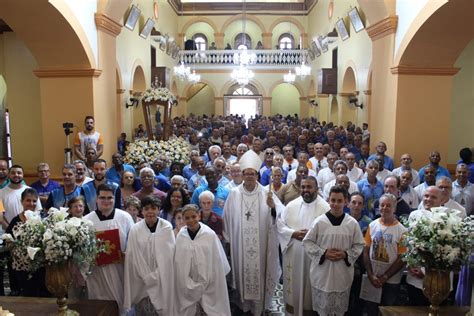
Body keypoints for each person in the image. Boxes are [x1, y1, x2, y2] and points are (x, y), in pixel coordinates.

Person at [223, 150, 282, 315]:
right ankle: (244, 305)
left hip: (262, 244)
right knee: (242, 273)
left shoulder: (266, 193)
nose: (249, 176)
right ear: (242, 175)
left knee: (259, 273)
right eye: (246, 173)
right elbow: (227, 217)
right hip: (240, 244)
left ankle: (258, 306)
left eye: (252, 173)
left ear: (257, 175)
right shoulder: (234, 194)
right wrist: (229, 239)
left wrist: (273, 208)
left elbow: (279, 217)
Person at [303, 186, 365, 316]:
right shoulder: (319, 222)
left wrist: (345, 254)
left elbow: (359, 245)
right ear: (328, 200)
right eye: (333, 200)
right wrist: (324, 253)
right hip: (322, 273)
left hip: (342, 273)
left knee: (339, 310)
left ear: (346, 202)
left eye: (339, 200)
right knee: (322, 311)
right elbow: (307, 242)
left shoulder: (352, 224)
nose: (335, 204)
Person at [277, 176, 330, 315]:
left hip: (313, 259)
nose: (306, 190)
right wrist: (293, 233)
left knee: (310, 292)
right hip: (293, 255)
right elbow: (280, 225)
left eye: (309, 187)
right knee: (293, 288)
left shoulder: (325, 208)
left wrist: (313, 237)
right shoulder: (291, 205)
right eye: (303, 187)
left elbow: (329, 233)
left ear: (316, 189)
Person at [84, 184, 134, 314]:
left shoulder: (125, 217)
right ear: (97, 199)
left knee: (120, 305)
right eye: (102, 198)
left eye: (109, 198)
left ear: (114, 198)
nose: (106, 201)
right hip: (97, 272)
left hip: (119, 270)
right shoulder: (87, 220)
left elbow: (133, 242)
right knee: (99, 306)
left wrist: (126, 254)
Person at [174, 204, 231, 315]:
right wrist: (187, 282)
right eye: (187, 218)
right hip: (188, 283)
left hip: (210, 282)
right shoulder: (181, 237)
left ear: (199, 216)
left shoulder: (209, 235)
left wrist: (209, 280)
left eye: (193, 216)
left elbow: (217, 261)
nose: (191, 220)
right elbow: (178, 262)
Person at [124, 196, 175, 315]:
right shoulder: (135, 229)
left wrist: (157, 274)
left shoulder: (166, 227)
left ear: (159, 210)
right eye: (146, 209)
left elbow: (169, 255)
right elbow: (134, 255)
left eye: (153, 208)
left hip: (163, 277)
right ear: (142, 211)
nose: (150, 212)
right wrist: (147, 276)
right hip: (141, 279)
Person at [363, 193, 407, 315]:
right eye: (382, 205)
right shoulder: (372, 225)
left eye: (388, 205)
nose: (384, 208)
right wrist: (371, 275)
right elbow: (366, 251)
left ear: (394, 208)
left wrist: (385, 277)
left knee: (388, 311)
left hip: (391, 281)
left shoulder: (402, 231)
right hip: (373, 277)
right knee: (371, 310)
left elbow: (402, 258)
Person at [6, 188, 50, 297]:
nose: (31, 203)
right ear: (22, 202)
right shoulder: (15, 221)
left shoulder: (42, 219)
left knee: (42, 293)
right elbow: (8, 241)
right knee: (27, 294)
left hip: (40, 265)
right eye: (28, 200)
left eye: (34, 201)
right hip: (22, 266)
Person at [0, 165, 42, 229]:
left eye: (19, 173)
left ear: (23, 175)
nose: (16, 175)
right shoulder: (1, 193)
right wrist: (10, 230)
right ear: (9, 175)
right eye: (13, 173)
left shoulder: (31, 191)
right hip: (8, 231)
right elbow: (1, 216)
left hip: (29, 230)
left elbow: (37, 211)